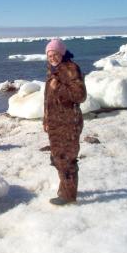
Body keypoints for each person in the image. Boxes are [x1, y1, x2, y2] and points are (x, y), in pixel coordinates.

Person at [43, 39, 87, 205]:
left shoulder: (70, 69)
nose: (52, 57)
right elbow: (48, 99)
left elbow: (80, 96)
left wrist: (58, 88)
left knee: (66, 160)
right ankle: (66, 190)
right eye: (49, 55)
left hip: (69, 123)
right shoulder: (53, 70)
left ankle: (68, 196)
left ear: (62, 54)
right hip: (55, 123)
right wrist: (46, 119)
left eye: (55, 54)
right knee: (57, 158)